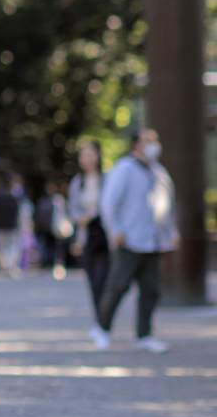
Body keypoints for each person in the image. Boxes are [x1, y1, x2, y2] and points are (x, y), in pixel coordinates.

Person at [90, 128, 178, 353]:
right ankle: (102, 328)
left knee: (151, 290)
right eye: (148, 140)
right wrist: (115, 229)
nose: (153, 144)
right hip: (128, 240)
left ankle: (144, 334)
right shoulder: (124, 169)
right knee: (118, 286)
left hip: (153, 241)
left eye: (154, 140)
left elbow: (167, 206)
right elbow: (108, 203)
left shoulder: (159, 172)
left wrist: (172, 232)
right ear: (136, 145)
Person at [67, 142, 109, 317]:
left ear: (98, 156)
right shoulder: (78, 183)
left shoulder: (107, 179)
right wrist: (79, 223)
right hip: (87, 234)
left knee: (104, 279)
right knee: (93, 280)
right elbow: (73, 210)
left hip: (106, 234)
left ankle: (105, 317)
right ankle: (100, 318)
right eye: (83, 155)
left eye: (91, 154)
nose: (87, 159)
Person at [0, 175, 26, 276]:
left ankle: (5, 265)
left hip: (0, 226)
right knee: (13, 247)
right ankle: (9, 266)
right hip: (11, 226)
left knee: (2, 248)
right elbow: (18, 214)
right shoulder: (15, 199)